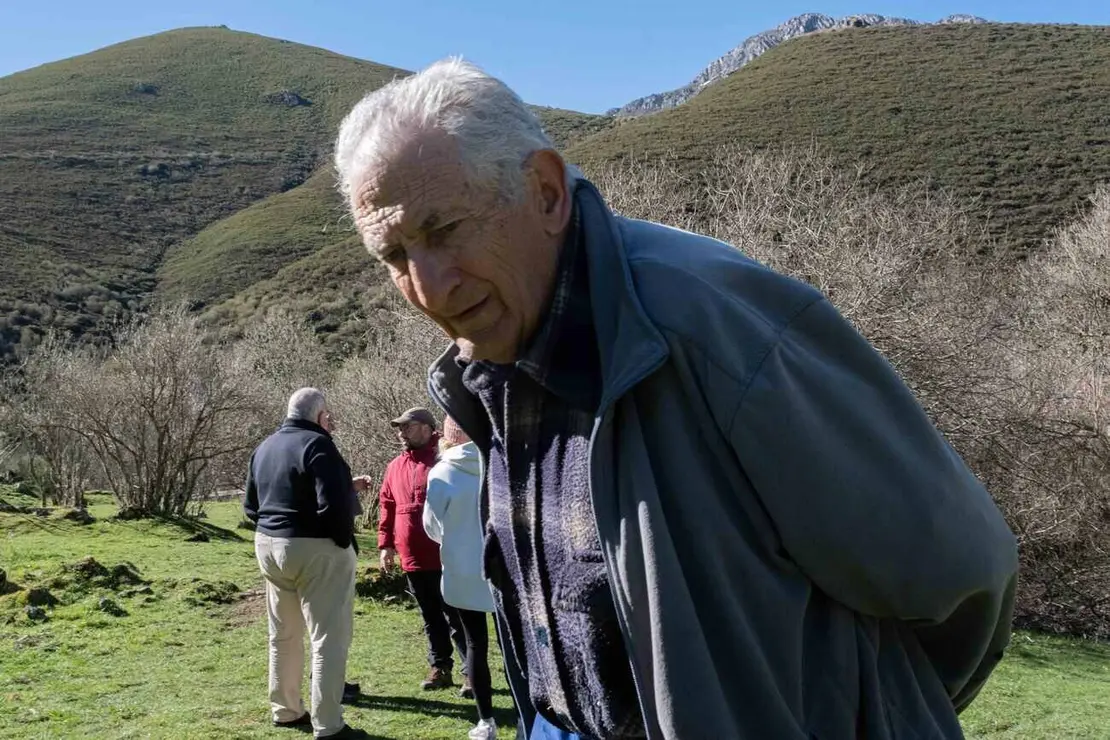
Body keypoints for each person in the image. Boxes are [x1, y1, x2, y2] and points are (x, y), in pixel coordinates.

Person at [333, 59, 1020, 740]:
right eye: (394, 256)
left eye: (444, 229)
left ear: (544, 191)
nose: (429, 286)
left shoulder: (718, 329)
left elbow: (959, 571)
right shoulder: (486, 370)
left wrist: (857, 717)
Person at [243, 387, 368, 740]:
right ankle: (329, 725)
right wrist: (343, 542)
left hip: (268, 545)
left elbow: (251, 506)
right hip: (316, 548)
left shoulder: (264, 447)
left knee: (283, 634)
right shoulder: (319, 445)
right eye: (328, 416)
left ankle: (285, 711)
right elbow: (333, 505)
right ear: (319, 415)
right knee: (328, 637)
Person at [375, 406, 469, 691]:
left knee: (457, 614)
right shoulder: (395, 466)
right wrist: (386, 545)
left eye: (408, 426)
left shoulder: (446, 460)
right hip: (412, 555)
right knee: (430, 616)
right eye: (400, 428)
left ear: (427, 428)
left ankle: (471, 671)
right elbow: (387, 506)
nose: (401, 432)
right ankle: (440, 667)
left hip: (446, 553)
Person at [423, 417, 498, 740]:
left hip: (463, 569)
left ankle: (487, 721)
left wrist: (455, 539)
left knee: (475, 644)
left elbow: (431, 526)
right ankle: (530, 713)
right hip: (502, 568)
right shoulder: (499, 465)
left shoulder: (441, 472)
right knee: (515, 648)